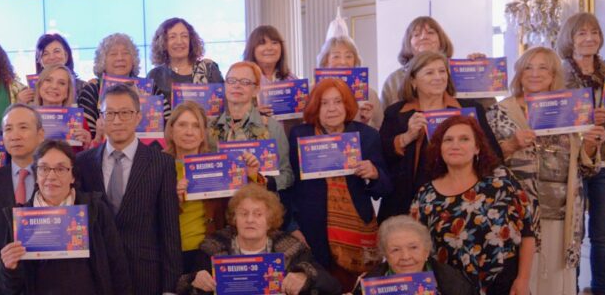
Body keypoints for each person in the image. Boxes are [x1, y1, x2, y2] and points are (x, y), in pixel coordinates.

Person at [487, 46, 605, 295]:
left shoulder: (572, 110)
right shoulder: (499, 112)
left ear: (554, 75)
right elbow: (482, 163)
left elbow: (586, 168)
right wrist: (511, 145)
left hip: (561, 215)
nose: (535, 73)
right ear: (519, 74)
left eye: (543, 67)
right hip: (518, 215)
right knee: (520, 281)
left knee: (554, 281)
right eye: (528, 67)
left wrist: (592, 145)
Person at [287, 78, 393, 291]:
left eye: (337, 102)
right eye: (324, 103)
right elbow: (290, 185)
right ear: (316, 107)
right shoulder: (301, 135)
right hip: (311, 227)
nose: (332, 109)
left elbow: (385, 187)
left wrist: (373, 174)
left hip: (353, 228)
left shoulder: (367, 136)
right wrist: (292, 225)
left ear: (347, 105)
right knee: (318, 285)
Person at [411, 116, 536, 294]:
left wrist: (523, 280)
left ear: (477, 148)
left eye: (464, 139)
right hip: (450, 288)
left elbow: (528, 233)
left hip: (505, 286)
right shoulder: (426, 196)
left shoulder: (501, 182)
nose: (455, 145)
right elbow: (418, 248)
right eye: (448, 140)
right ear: (439, 148)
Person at [557, 12, 605, 295]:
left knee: (604, 234)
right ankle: (571, 289)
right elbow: (549, 123)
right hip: (570, 165)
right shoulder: (556, 76)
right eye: (581, 33)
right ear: (569, 39)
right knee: (572, 234)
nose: (589, 38)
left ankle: (601, 290)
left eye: (594, 33)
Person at [77, 83, 181, 295]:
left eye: (125, 113)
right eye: (110, 113)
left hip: (145, 275)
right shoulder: (83, 163)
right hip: (97, 275)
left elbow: (170, 230)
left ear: (138, 117)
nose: (117, 120)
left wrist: (170, 288)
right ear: (101, 118)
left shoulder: (161, 164)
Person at [377, 50, 501, 221]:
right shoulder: (396, 112)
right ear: (413, 81)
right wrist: (406, 137)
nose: (438, 77)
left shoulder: (469, 110)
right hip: (406, 205)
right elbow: (380, 157)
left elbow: (493, 155)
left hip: (462, 203)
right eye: (429, 72)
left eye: (442, 71)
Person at [0, 139, 131, 294]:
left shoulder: (95, 210)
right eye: (44, 168)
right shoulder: (21, 219)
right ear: (36, 175)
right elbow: (8, 288)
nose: (51, 176)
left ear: (73, 176)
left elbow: (118, 269)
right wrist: (9, 268)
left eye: (61, 169)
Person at [176, 183, 341, 295]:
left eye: (258, 214)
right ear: (234, 219)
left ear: (270, 220)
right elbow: (182, 285)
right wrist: (194, 281)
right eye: (243, 213)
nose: (250, 220)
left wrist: (306, 276)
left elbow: (333, 286)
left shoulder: (292, 248)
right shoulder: (212, 248)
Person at [165, 101, 265, 273]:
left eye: (196, 126)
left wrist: (250, 176)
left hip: (214, 250)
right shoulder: (158, 166)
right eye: (182, 125)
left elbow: (245, 207)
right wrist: (172, 200)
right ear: (171, 130)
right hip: (172, 252)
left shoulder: (220, 164)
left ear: (203, 134)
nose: (189, 132)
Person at [0, 104, 46, 295]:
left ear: (40, 134)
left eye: (23, 127)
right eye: (8, 129)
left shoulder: (55, 178)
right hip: (1, 285)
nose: (15, 135)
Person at [208, 61, 293, 191]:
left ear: (256, 90)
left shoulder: (271, 127)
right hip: (219, 206)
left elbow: (287, 176)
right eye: (231, 81)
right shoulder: (209, 128)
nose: (237, 86)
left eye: (245, 82)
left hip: (260, 204)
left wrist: (263, 181)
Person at [351, 216, 477, 295]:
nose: (405, 256)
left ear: (426, 251)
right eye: (395, 250)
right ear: (385, 255)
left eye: (413, 247)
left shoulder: (454, 283)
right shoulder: (368, 286)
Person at [381, 16, 463, 108]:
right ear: (408, 43)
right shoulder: (393, 80)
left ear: (441, 40)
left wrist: (481, 71)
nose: (424, 37)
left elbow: (478, 107)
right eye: (416, 34)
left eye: (430, 33)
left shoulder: (459, 72)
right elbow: (384, 118)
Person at [77, 33, 143, 140]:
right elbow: (87, 135)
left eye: (126, 53)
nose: (120, 58)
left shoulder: (149, 88)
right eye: (113, 54)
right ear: (102, 61)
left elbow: (166, 124)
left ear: (133, 59)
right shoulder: (92, 90)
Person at [147, 18, 223, 103]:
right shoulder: (155, 76)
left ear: (191, 41)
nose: (179, 42)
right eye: (172, 37)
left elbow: (223, 106)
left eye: (184, 36)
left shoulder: (209, 69)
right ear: (163, 43)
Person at [316, 36, 383, 128]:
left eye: (348, 56)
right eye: (336, 56)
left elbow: (381, 129)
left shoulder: (369, 94)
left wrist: (366, 122)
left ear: (355, 61)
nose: (343, 62)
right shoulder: (312, 92)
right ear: (325, 62)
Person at [33, 64, 94, 147]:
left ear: (68, 92)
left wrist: (88, 145)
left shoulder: (79, 120)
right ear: (39, 86)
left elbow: (85, 156)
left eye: (61, 83)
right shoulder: (27, 117)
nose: (54, 86)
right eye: (48, 80)